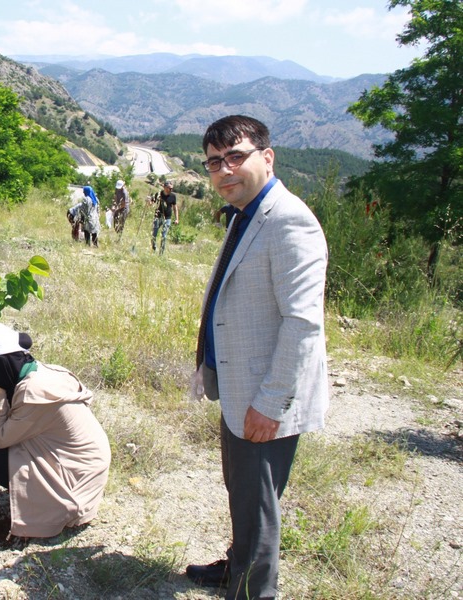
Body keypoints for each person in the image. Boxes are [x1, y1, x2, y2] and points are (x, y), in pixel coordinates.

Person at [187, 115, 329, 599]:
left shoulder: (289, 220)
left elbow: (303, 322)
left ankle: (252, 591)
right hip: (240, 385)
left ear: (266, 157)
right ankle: (236, 566)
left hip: (264, 394)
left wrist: (271, 402)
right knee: (244, 493)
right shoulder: (249, 211)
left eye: (236, 157)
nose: (225, 170)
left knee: (258, 504)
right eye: (213, 162)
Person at [0, 322, 111, 539]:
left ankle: (47, 507)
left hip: (76, 482)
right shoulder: (34, 374)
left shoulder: (33, 394)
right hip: (81, 465)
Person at [151, 181, 179, 253]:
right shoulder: (159, 194)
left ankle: (161, 253)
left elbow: (175, 208)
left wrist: (176, 219)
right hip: (158, 216)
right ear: (165, 187)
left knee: (164, 236)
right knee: (154, 234)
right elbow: (151, 202)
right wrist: (148, 201)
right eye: (170, 188)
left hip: (167, 218)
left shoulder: (173, 196)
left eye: (172, 188)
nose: (171, 190)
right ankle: (154, 248)